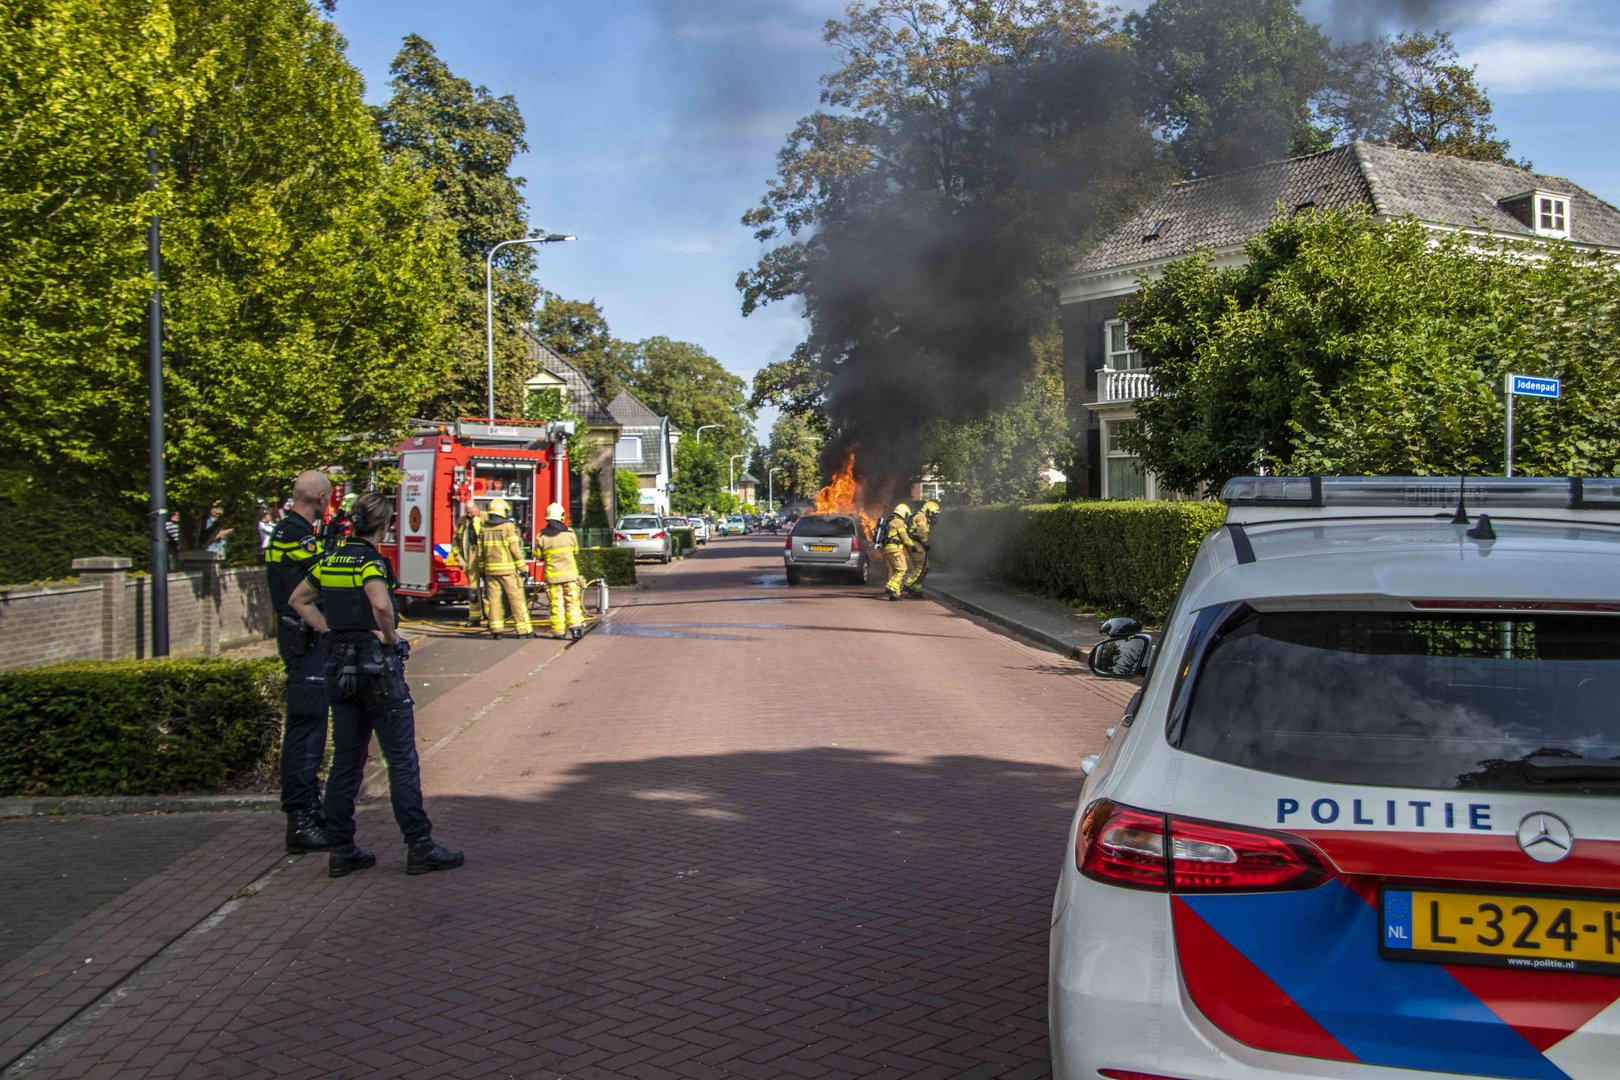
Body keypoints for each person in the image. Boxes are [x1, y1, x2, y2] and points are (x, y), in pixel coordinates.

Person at [288, 491, 463, 878]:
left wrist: (328, 629)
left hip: (339, 666)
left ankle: (342, 849)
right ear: (384, 524)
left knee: (346, 763)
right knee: (400, 760)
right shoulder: (371, 562)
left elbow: (299, 599)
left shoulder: (331, 560)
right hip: (376, 669)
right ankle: (419, 846)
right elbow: (381, 604)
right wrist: (388, 635)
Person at [264, 471, 336, 854]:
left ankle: (310, 808)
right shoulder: (296, 534)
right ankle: (301, 819)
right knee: (306, 730)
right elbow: (323, 578)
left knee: (309, 727)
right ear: (321, 497)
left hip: (298, 638)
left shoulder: (285, 530)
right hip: (303, 640)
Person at [479, 497, 532, 639]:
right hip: (507, 571)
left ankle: (496, 630)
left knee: (494, 600)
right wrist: (522, 568)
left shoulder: (484, 528)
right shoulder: (507, 527)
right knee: (516, 599)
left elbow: (480, 552)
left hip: (490, 571)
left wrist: (481, 570)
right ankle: (522, 630)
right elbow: (515, 549)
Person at [536, 502, 585, 641]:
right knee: (572, 602)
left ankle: (558, 632)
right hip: (569, 576)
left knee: (556, 604)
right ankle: (576, 629)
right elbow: (576, 551)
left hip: (552, 577)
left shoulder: (542, 536)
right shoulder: (569, 534)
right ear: (562, 517)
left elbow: (537, 555)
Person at [454, 502, 485, 627]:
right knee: (473, 589)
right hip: (469, 557)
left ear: (477, 509)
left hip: (483, 557)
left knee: (489, 590)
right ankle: (475, 617)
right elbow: (455, 539)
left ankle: (491, 617)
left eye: (471, 511)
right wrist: (457, 556)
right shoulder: (462, 521)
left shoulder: (485, 518)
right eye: (467, 511)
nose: (468, 514)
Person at [882, 502, 918, 601]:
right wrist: (913, 545)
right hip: (895, 549)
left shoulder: (891, 521)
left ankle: (895, 594)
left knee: (893, 571)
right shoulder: (899, 522)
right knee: (902, 569)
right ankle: (891, 586)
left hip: (887, 549)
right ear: (903, 513)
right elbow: (905, 538)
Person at [903, 500, 939, 596]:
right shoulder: (922, 517)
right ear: (928, 511)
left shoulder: (923, 518)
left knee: (920, 567)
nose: (935, 517)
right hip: (916, 543)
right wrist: (926, 543)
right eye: (934, 514)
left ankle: (916, 589)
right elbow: (921, 532)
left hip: (916, 544)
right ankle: (907, 585)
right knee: (923, 566)